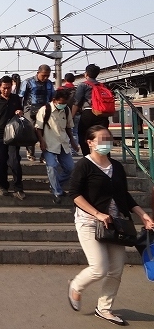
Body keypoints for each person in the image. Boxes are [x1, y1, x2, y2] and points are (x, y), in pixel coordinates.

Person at [67, 125, 154, 325]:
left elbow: (124, 195)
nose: (107, 142)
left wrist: (143, 215)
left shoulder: (116, 166)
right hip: (89, 222)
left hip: (116, 225)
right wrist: (97, 213)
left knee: (116, 269)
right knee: (99, 268)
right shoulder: (84, 165)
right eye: (102, 139)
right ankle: (76, 286)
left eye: (109, 138)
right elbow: (75, 194)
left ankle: (104, 308)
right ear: (90, 142)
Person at [35, 89, 79, 204]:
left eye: (65, 102)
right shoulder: (45, 110)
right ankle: (57, 192)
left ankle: (55, 184)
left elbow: (69, 127)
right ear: (54, 100)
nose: (63, 105)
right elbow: (38, 128)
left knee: (70, 168)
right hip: (49, 143)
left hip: (63, 143)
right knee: (52, 166)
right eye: (61, 102)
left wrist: (73, 142)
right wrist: (41, 141)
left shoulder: (66, 110)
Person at [0, 76, 25, 199]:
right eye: (4, 88)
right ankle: (3, 186)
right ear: (0, 87)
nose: (6, 90)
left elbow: (21, 112)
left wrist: (19, 113)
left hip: (13, 134)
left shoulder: (16, 99)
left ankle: (18, 187)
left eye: (8, 88)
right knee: (0, 162)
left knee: (14, 161)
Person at [72, 64, 111, 156]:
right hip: (102, 114)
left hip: (88, 113)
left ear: (86, 74)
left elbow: (77, 102)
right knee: (103, 137)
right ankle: (105, 157)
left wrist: (71, 117)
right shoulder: (103, 86)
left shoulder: (83, 85)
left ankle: (88, 156)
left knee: (84, 135)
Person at [19, 65, 55, 161]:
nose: (46, 78)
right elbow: (20, 97)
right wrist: (20, 110)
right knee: (31, 131)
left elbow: (52, 97)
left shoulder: (49, 84)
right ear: (38, 73)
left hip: (46, 110)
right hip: (30, 110)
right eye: (44, 75)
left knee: (46, 133)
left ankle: (44, 155)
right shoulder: (28, 82)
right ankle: (30, 152)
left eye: (48, 75)